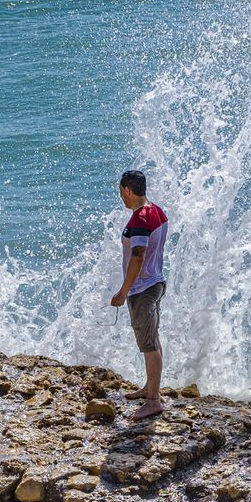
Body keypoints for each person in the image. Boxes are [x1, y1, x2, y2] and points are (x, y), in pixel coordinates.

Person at [110, 169, 168, 420]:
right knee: (152, 339)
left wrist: (123, 291)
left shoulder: (140, 220)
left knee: (148, 345)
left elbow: (137, 256)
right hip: (156, 281)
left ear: (127, 190)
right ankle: (149, 388)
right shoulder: (156, 210)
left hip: (142, 288)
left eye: (121, 192)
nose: (121, 197)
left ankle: (154, 400)